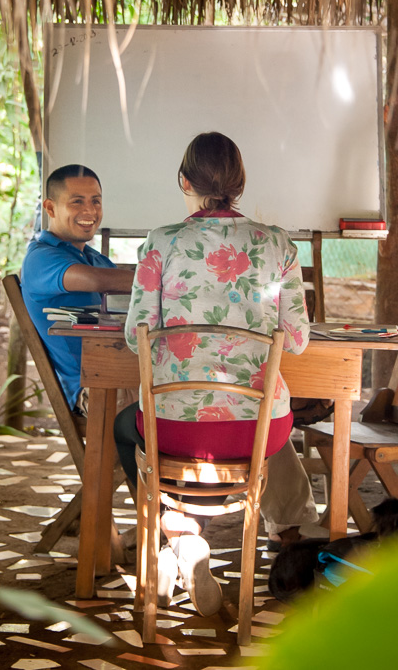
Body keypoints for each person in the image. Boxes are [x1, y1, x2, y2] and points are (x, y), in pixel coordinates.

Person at [114, 132, 319, 616]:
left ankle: (182, 540)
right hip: (256, 433)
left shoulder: (160, 243)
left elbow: (133, 335)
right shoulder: (279, 245)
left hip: (174, 429)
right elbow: (297, 339)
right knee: (269, 421)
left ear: (184, 180)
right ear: (240, 184)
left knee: (130, 430)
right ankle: (285, 536)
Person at [21, 164, 133, 418]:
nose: (89, 211)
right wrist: (161, 279)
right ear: (50, 208)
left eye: (96, 201)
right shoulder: (41, 257)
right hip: (95, 388)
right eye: (77, 202)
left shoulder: (91, 256)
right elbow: (92, 281)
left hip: (121, 374)